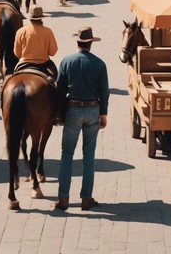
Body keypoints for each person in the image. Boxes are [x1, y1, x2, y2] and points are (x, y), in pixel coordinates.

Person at [54, 27, 109, 212]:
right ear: (91, 43)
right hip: (93, 110)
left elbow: (60, 91)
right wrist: (103, 113)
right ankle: (86, 198)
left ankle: (63, 197)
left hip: (73, 110)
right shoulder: (100, 64)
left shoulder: (66, 61)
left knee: (67, 153)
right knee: (89, 156)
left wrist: (60, 114)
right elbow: (104, 92)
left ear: (77, 42)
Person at [13, 6, 58, 79]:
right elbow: (53, 52)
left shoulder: (20, 31)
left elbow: (17, 53)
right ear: (41, 18)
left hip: (24, 64)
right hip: (44, 64)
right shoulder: (48, 31)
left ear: (30, 19)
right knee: (55, 80)